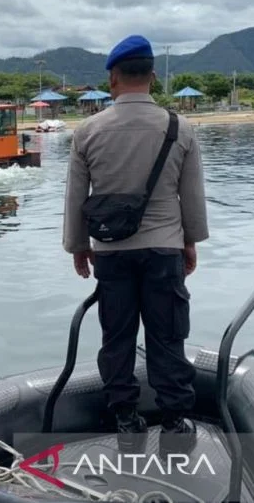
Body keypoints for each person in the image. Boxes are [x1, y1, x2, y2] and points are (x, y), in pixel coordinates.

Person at [62, 35, 209, 456]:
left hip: (110, 253)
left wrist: (78, 247)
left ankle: (126, 419)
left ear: (113, 78)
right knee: (168, 336)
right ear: (152, 76)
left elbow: (75, 197)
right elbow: (192, 198)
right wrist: (190, 243)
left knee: (117, 337)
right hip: (165, 250)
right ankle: (176, 422)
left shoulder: (88, 131)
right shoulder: (179, 128)